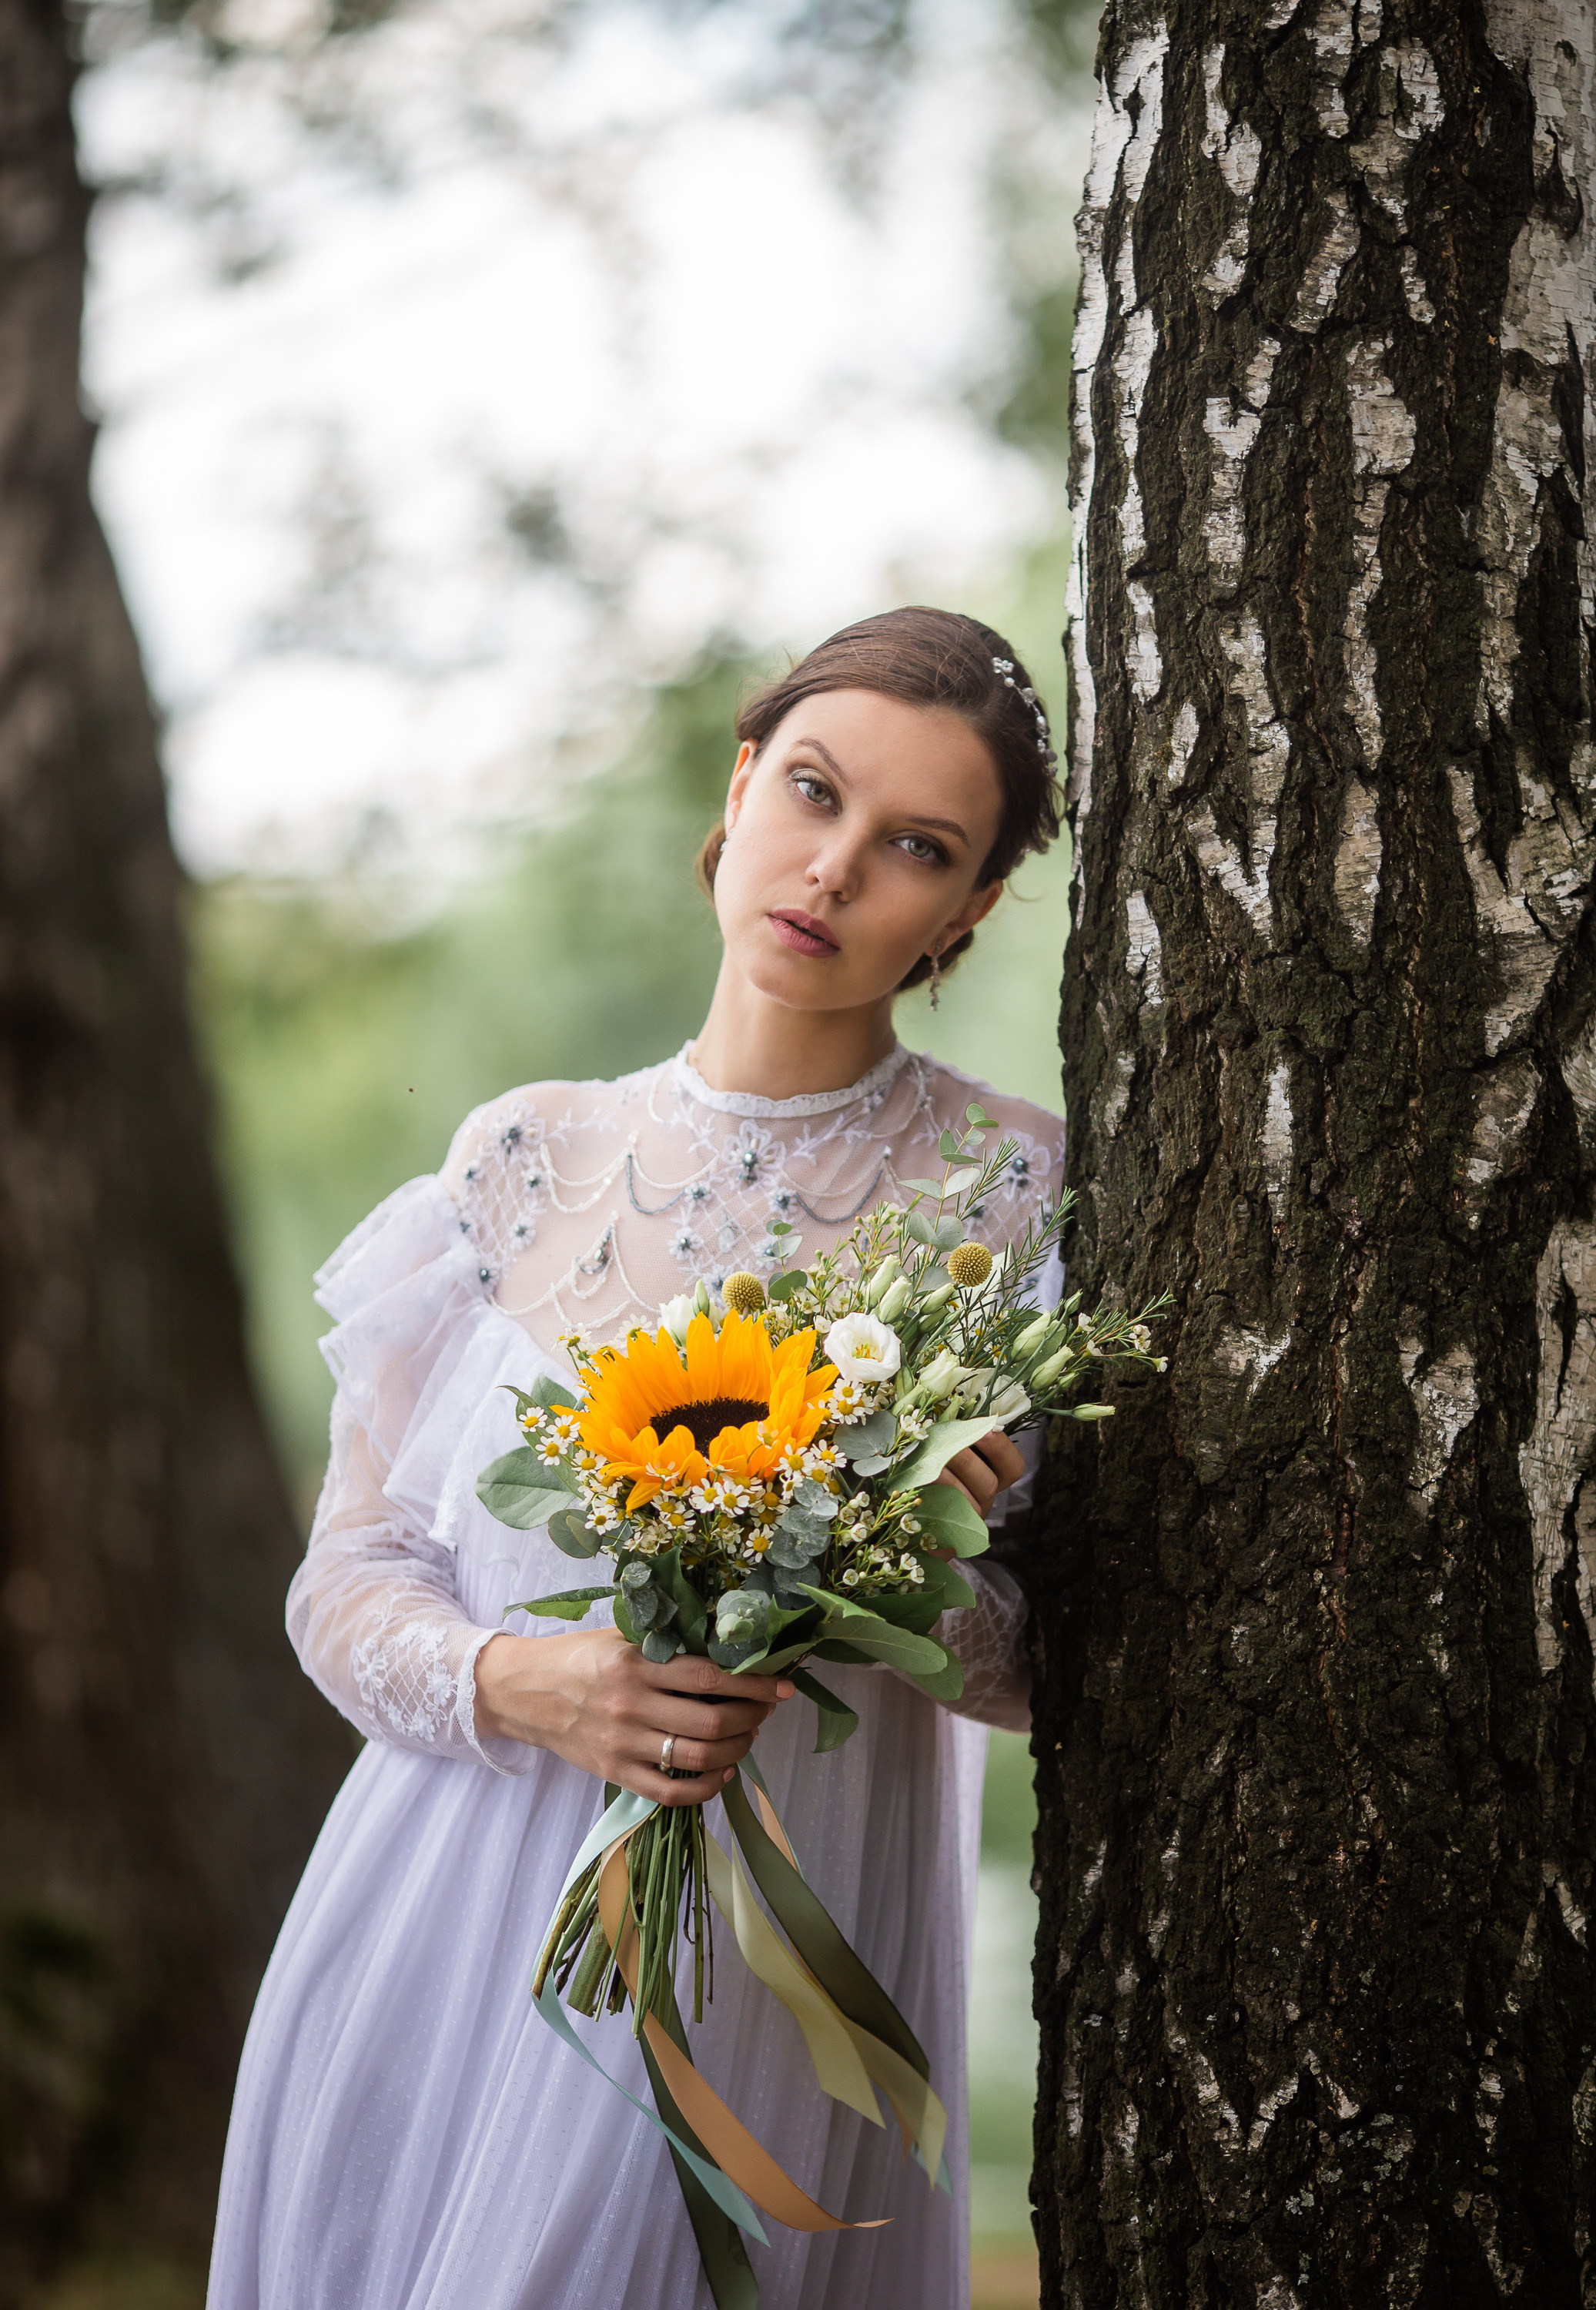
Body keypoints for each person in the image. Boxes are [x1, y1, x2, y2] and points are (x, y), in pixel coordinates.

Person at [207, 606, 1066, 2310]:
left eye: (912, 848)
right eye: (810, 793)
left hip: (787, 1973)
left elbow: (1052, 1672)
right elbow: (347, 1579)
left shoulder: (1015, 1201)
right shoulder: (523, 1154)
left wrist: (885, 1567)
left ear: (964, 913)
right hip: (449, 1920)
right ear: (739, 786)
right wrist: (529, 1683)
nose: (830, 870)